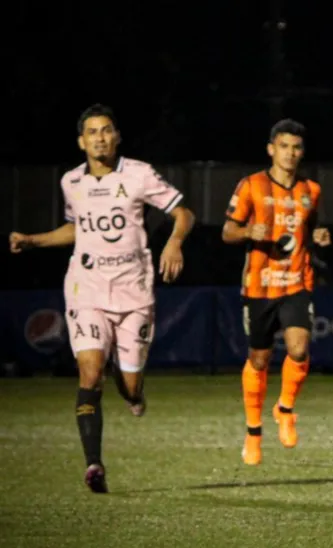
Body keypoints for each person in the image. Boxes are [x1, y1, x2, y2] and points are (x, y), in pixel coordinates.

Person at [8, 103, 195, 493]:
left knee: (128, 384)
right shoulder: (70, 182)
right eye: (92, 132)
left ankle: (132, 389)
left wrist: (174, 243)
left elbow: (184, 214)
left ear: (117, 137)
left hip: (134, 292)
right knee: (90, 372)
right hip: (87, 287)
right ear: (81, 141)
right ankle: (94, 464)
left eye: (106, 130)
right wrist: (34, 240)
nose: (100, 137)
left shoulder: (139, 174)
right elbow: (78, 230)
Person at [222, 119, 332, 466]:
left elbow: (312, 226)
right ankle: (253, 431)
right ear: (271, 149)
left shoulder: (310, 190)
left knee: (299, 348)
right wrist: (246, 232)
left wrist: (319, 237)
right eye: (284, 146)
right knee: (259, 359)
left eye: (296, 147)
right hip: (259, 286)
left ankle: (285, 409)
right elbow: (227, 231)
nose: (290, 153)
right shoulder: (251, 185)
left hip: (297, 282)